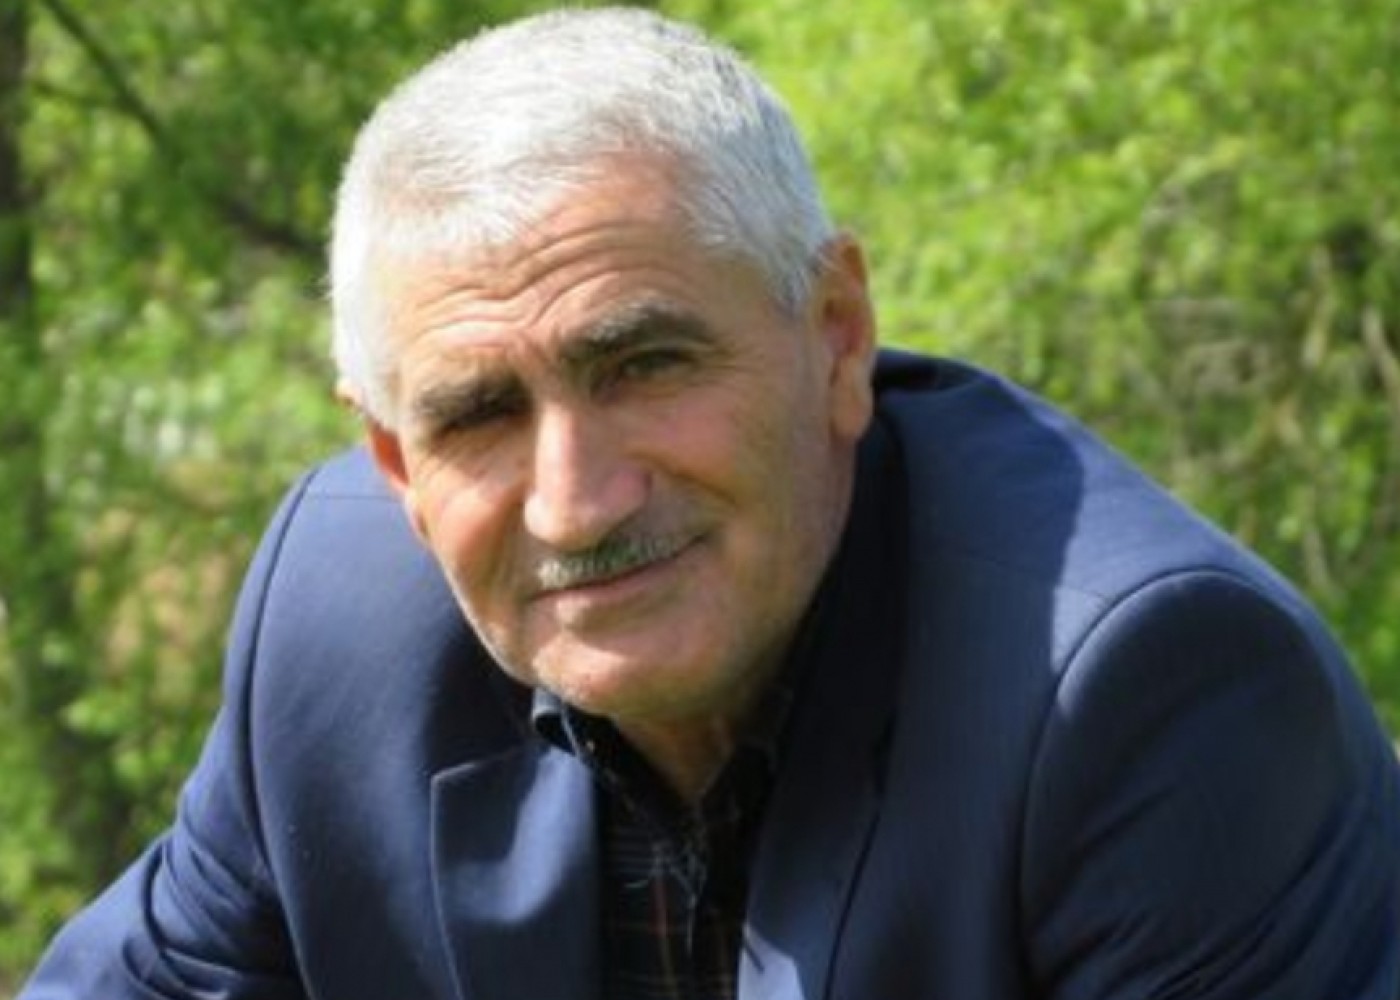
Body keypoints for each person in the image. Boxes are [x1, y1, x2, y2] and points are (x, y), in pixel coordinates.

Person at [20, 7, 1400, 999]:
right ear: (394, 466)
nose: (574, 505)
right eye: (479, 414)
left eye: (644, 364)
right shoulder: (333, 637)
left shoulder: (1148, 692)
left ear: (837, 337)